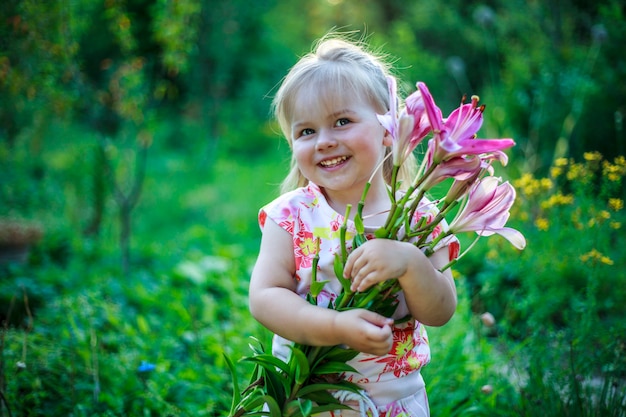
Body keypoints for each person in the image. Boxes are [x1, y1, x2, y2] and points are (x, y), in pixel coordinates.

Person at [248, 34, 458, 417]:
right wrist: (333, 326)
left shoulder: (421, 219)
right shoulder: (291, 217)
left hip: (392, 404)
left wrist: (410, 262)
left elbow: (440, 310)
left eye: (342, 121)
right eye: (306, 131)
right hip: (304, 399)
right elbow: (265, 297)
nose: (324, 141)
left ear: (388, 128)